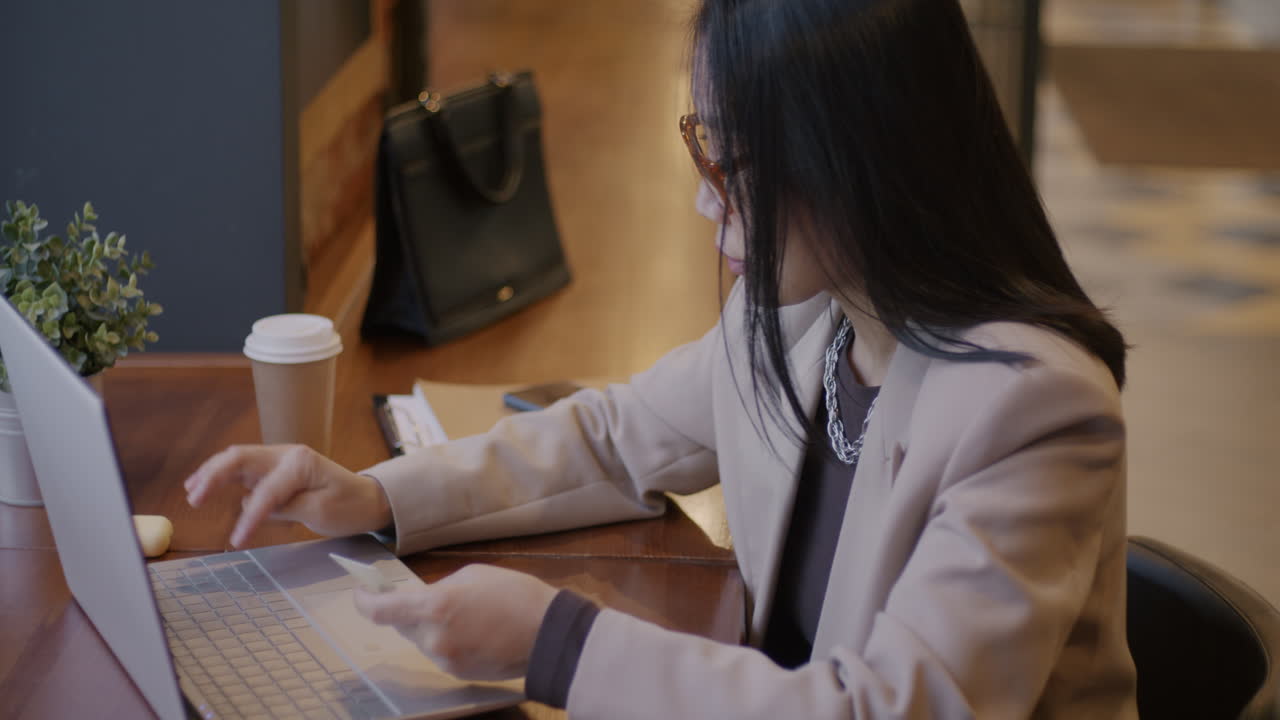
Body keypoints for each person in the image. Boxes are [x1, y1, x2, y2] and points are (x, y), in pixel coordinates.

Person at [185, 0, 1139, 716]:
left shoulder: (1034, 408)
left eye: (732, 166)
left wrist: (557, 641)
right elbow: (615, 437)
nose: (703, 202)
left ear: (857, 159)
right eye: (702, 148)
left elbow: (891, 706)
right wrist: (377, 498)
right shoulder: (820, 316)